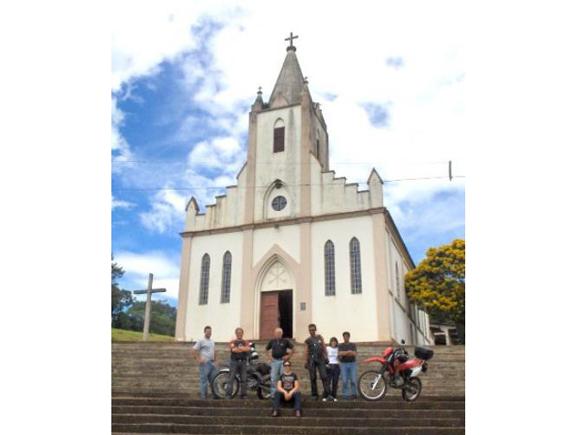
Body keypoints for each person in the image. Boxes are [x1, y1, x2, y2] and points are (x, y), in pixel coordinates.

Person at [304, 323, 330, 401]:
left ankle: (327, 393)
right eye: (310, 330)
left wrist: (326, 356)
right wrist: (306, 361)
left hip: (321, 358)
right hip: (311, 359)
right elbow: (306, 351)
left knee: (324, 376)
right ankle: (314, 394)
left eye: (313, 329)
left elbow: (324, 346)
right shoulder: (307, 340)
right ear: (309, 331)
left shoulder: (320, 337)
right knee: (313, 377)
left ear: (315, 330)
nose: (312, 331)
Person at [192, 325, 219, 400]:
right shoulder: (201, 340)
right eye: (208, 332)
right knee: (203, 381)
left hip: (212, 363)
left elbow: (214, 351)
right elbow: (193, 350)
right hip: (205, 363)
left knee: (214, 380)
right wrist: (198, 359)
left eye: (210, 332)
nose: (209, 333)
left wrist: (216, 361)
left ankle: (216, 395)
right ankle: (203, 397)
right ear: (204, 332)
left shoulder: (212, 341)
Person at [265, 327, 294, 396]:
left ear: (282, 334)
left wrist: (289, 356)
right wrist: (270, 357)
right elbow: (266, 350)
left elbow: (293, 349)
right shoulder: (272, 341)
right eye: (277, 333)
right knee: (274, 378)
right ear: (274, 334)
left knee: (283, 377)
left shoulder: (285, 341)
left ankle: (283, 393)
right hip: (274, 361)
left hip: (283, 362)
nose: (278, 334)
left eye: (279, 333)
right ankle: (274, 394)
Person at [226, 327, 251, 399]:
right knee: (231, 378)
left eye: (241, 333)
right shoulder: (232, 341)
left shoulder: (245, 341)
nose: (239, 334)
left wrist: (240, 349)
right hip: (234, 362)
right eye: (238, 333)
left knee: (244, 379)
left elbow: (248, 349)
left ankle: (243, 395)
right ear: (236, 333)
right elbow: (233, 350)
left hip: (243, 362)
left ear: (242, 333)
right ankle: (228, 395)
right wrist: (243, 349)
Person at [338, 331, 358, 400]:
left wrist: (345, 353)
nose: (345, 337)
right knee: (344, 380)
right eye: (344, 336)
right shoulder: (340, 345)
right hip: (343, 364)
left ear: (349, 337)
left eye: (347, 336)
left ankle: (354, 394)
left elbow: (354, 354)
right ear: (343, 337)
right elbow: (340, 354)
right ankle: (345, 395)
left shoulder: (353, 345)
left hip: (352, 364)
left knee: (353, 380)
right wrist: (349, 352)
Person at [326, 337, 340, 401]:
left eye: (335, 341)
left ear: (336, 342)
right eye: (332, 341)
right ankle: (328, 395)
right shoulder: (327, 348)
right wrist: (326, 364)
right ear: (330, 342)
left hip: (336, 366)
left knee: (335, 382)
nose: (333, 342)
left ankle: (334, 396)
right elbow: (324, 357)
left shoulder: (338, 349)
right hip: (329, 366)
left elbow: (340, 357)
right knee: (328, 382)